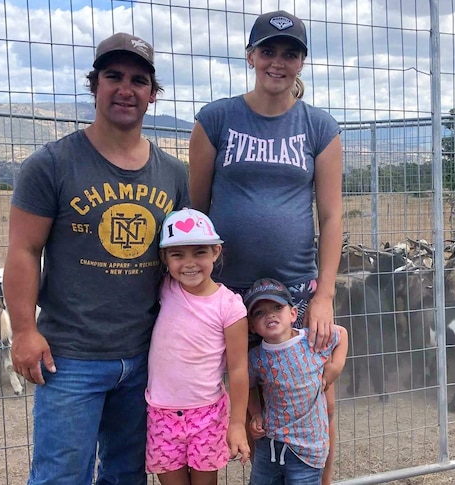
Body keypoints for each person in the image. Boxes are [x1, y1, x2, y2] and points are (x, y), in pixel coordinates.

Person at [4, 32, 190, 485]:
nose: (125, 89)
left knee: (127, 474)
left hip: (146, 354)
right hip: (70, 357)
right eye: (114, 77)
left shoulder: (172, 174)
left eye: (138, 80)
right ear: (95, 85)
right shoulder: (51, 164)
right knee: (60, 476)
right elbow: (24, 251)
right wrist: (25, 331)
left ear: (152, 95)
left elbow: (186, 263)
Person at [188, 10, 344, 481]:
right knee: (254, 398)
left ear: (302, 62)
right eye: (269, 51)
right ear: (251, 55)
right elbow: (196, 211)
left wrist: (323, 296)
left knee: (319, 396)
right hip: (233, 292)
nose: (279, 62)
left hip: (296, 289)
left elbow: (332, 216)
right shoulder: (216, 119)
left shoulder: (319, 127)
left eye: (291, 53)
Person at [145, 207, 250, 484]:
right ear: (164, 259)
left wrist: (237, 423)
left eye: (199, 252)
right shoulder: (165, 288)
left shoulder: (229, 307)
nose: (189, 263)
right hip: (162, 414)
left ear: (216, 252)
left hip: (207, 415)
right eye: (177, 254)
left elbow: (239, 369)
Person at [244, 278, 348, 484]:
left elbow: (342, 334)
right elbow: (249, 386)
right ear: (252, 327)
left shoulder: (312, 340)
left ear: (293, 314)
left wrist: (335, 367)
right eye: (259, 313)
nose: (270, 315)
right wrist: (255, 413)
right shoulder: (255, 357)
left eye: (277, 307)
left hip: (308, 450)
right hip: (270, 446)